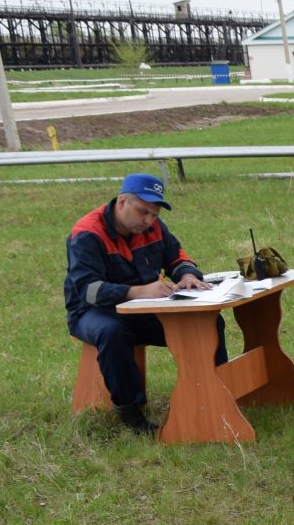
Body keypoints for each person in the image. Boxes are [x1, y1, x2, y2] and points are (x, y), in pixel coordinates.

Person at [63, 173, 225, 435]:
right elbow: (87, 290)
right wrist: (138, 291)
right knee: (112, 332)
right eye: (143, 212)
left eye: (155, 214)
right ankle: (131, 413)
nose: (149, 220)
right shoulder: (87, 233)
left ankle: (217, 391)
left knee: (208, 321)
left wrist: (187, 275)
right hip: (93, 312)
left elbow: (177, 256)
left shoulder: (154, 226)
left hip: (145, 308)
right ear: (122, 202)